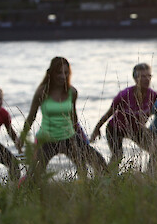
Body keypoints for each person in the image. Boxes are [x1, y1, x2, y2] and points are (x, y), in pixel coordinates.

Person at [19, 57, 108, 185]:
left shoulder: (72, 92)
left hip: (69, 138)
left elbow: (74, 118)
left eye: (66, 73)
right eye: (59, 72)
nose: (63, 76)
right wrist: (22, 137)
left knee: (99, 163)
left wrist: (82, 139)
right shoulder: (42, 92)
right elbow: (31, 117)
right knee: (34, 176)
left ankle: (95, 191)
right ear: (51, 73)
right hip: (47, 140)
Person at [91, 63, 157, 174]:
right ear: (135, 79)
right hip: (115, 129)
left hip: (136, 129)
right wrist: (96, 130)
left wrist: (147, 128)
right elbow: (108, 114)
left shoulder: (153, 95)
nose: (146, 79)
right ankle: (108, 178)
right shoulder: (124, 95)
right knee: (118, 156)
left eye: (149, 76)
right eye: (142, 76)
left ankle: (152, 176)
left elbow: (150, 113)